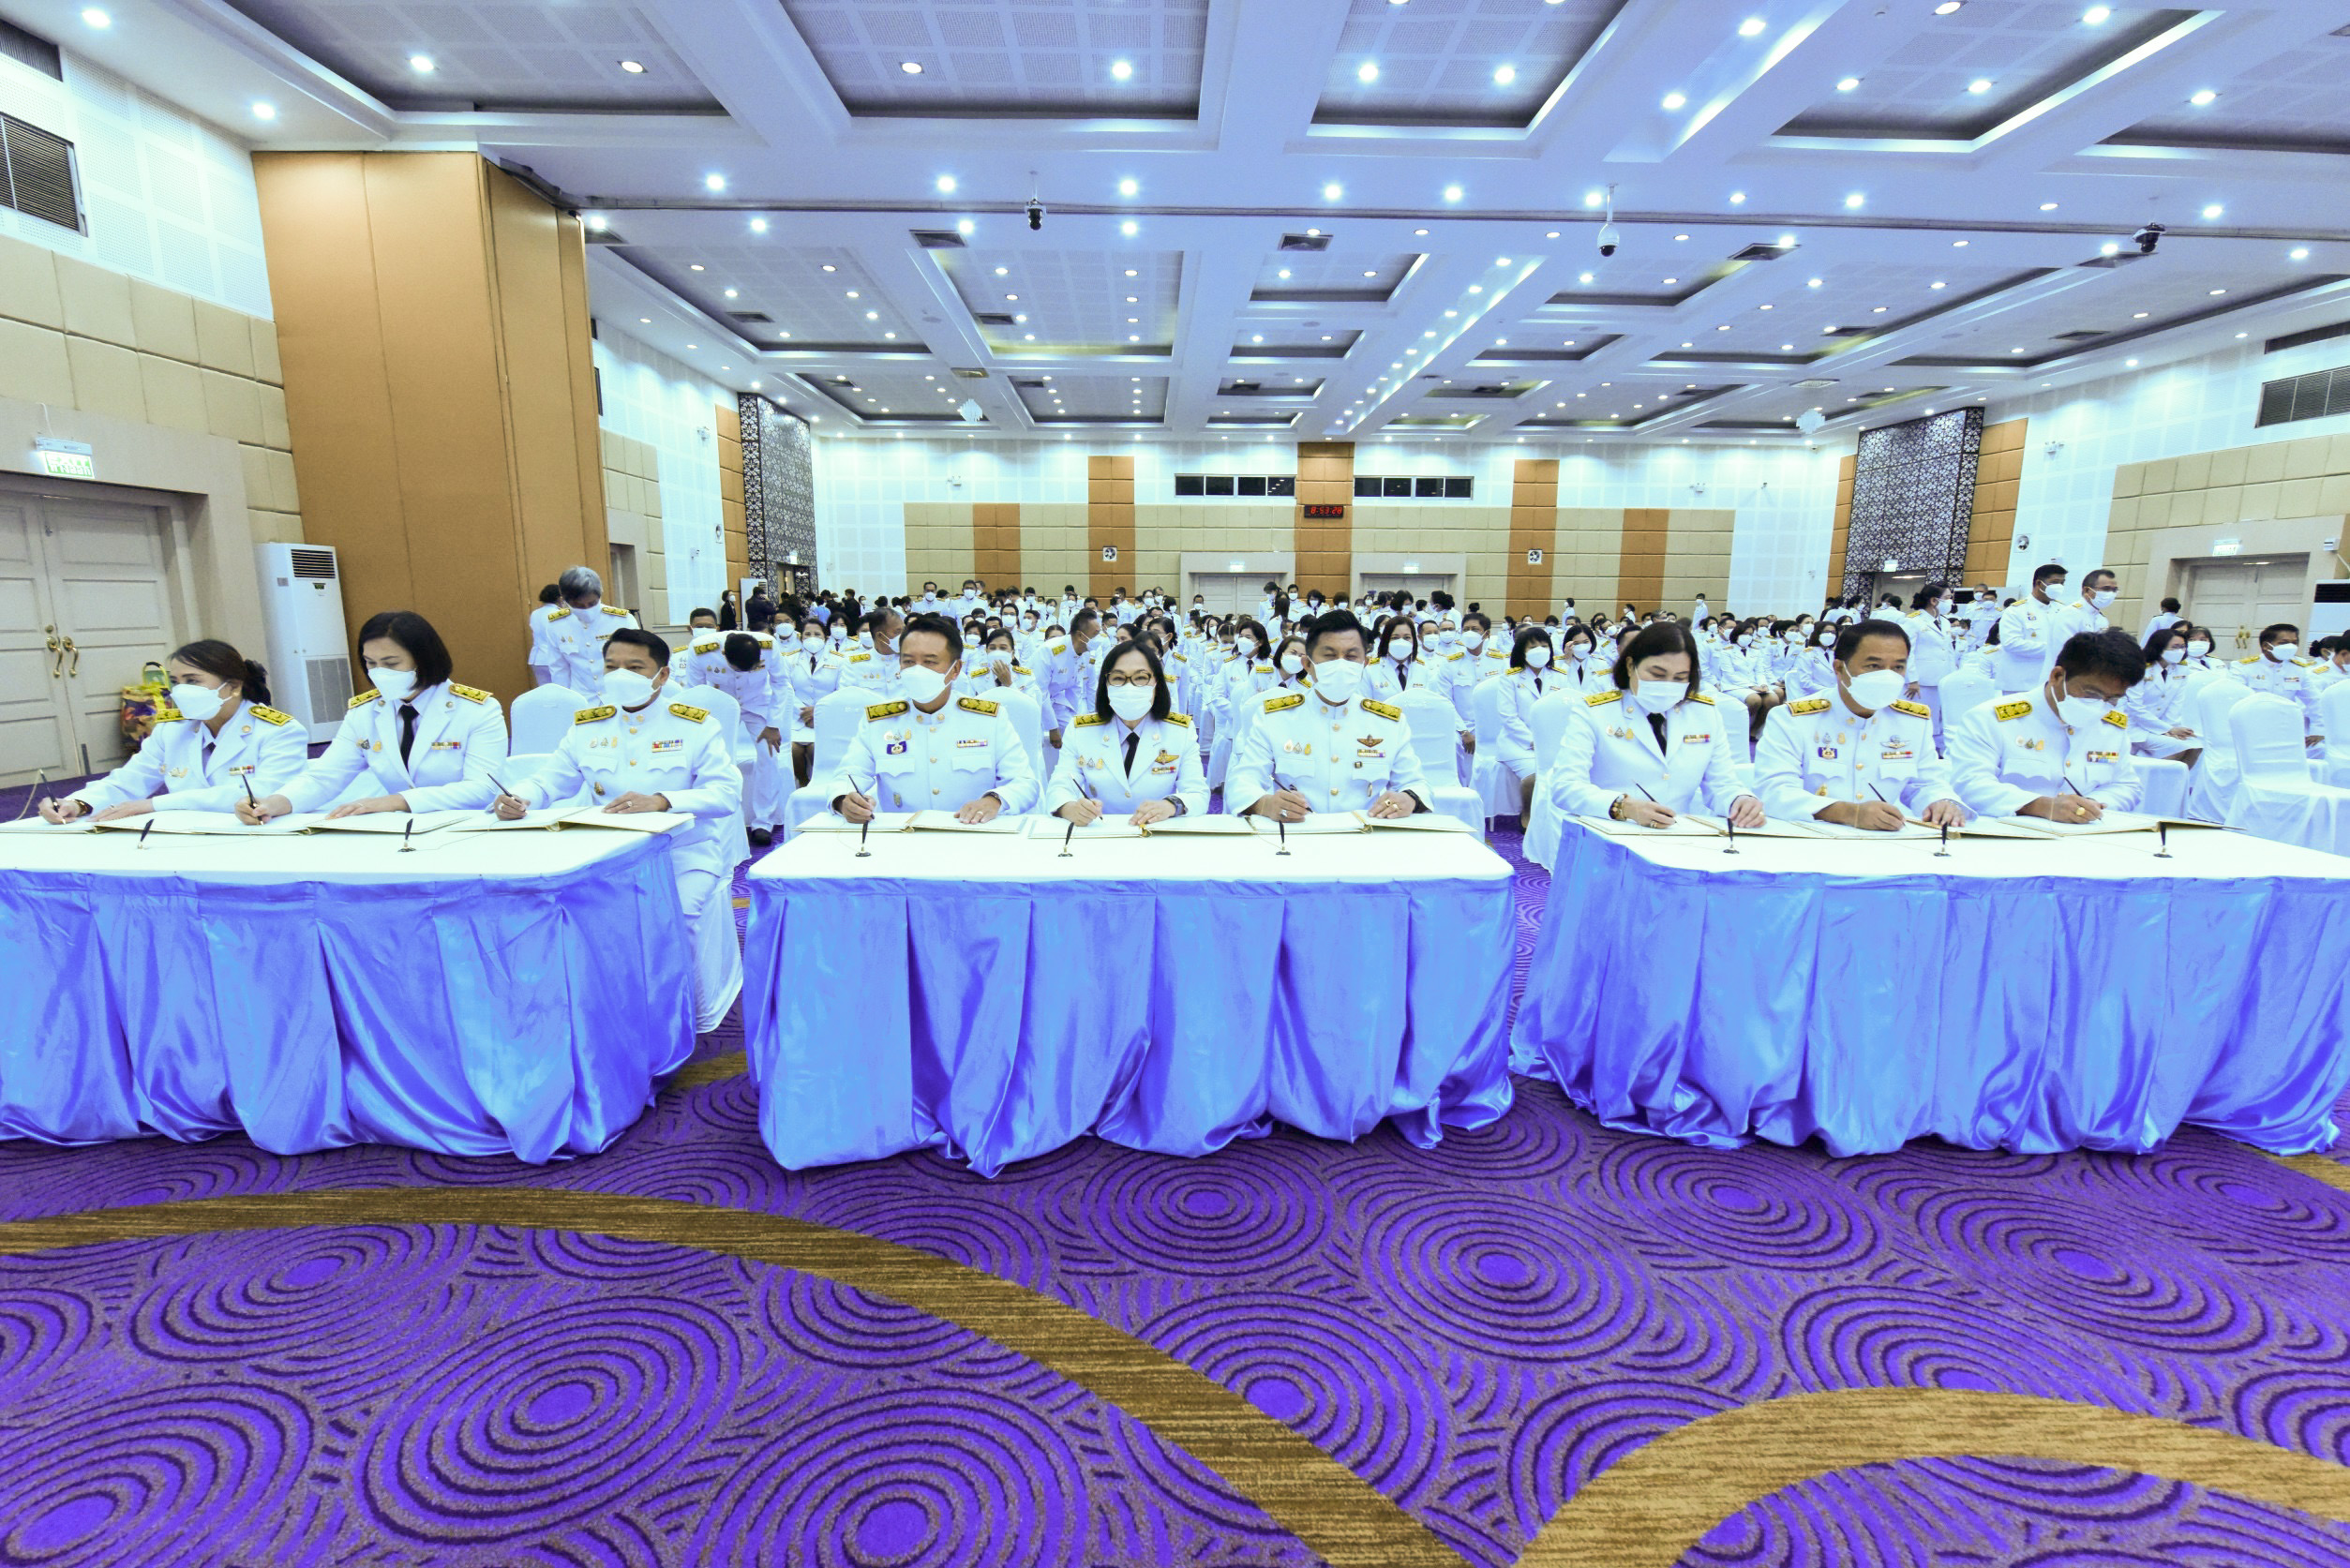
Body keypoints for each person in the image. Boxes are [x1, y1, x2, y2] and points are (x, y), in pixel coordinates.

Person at [494, 628, 743, 1032]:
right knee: (566, 915)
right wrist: (519, 797)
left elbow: (726, 793)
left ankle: (678, 1016)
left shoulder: (695, 725)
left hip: (683, 852)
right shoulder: (588, 726)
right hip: (608, 854)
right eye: (612, 667)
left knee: (676, 917)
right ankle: (601, 1006)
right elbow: (548, 780)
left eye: (635, 667)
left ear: (662, 675)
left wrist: (662, 800)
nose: (621, 675)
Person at [240, 611, 503, 823]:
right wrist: (274, 803)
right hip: (395, 828)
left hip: (466, 826)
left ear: (424, 660)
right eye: (370, 663)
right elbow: (324, 776)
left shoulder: (477, 709)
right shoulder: (364, 712)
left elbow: (482, 788)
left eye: (391, 663)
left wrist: (395, 801)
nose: (379, 673)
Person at [43, 640, 306, 823]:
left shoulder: (278, 730)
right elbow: (129, 780)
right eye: (175, 682)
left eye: (192, 681)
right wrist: (78, 803)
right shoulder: (172, 729)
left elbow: (263, 793)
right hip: (184, 835)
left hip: (256, 834)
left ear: (234, 686)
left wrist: (155, 804)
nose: (180, 691)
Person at [1549, 621, 1763, 829]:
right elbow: (1566, 786)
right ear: (1631, 666)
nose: (1667, 685)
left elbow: (1721, 783)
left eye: (1680, 678)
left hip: (1678, 834)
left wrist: (1740, 800)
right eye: (1657, 674)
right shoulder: (1595, 712)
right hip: (1611, 830)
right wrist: (1623, 806)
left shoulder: (1704, 713)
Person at [1754, 619, 1965, 830]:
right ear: (1839, 668)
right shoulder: (1794, 719)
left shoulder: (1913, 721)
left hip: (1887, 840)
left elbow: (1926, 783)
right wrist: (1848, 813)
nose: (1887, 676)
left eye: (1898, 667)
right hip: (1811, 835)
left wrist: (1941, 801)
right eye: (1874, 666)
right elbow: (1774, 790)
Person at [827, 615, 1039, 822]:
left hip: (971, 833)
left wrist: (994, 800)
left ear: (955, 669)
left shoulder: (988, 719)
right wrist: (843, 800)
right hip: (902, 835)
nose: (917, 671)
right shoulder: (879, 721)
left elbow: (1024, 782)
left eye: (930, 662)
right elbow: (848, 775)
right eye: (908, 662)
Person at [1228, 610, 1429, 821]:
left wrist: (1409, 798)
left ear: (1364, 664)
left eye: (1351, 656)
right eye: (1330, 656)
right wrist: (1265, 804)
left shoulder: (1388, 722)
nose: (1341, 664)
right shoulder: (1275, 718)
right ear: (1307, 665)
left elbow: (1416, 784)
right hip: (1298, 831)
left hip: (1366, 832)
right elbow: (1241, 782)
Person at [1947, 629, 2144, 821]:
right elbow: (1969, 783)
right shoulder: (1992, 718)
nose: (2100, 705)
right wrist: (2039, 805)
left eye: (2113, 698)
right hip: (2011, 832)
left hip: (2087, 832)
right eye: (2091, 694)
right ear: (2057, 676)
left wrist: (2089, 806)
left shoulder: (2111, 726)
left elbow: (2127, 785)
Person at [1044, 641, 1205, 825]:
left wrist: (1171, 805)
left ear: (1157, 683)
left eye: (1141, 678)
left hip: (1157, 831)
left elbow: (1197, 793)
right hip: (1098, 831)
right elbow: (1060, 785)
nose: (1129, 687)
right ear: (1106, 684)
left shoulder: (1180, 731)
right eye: (1118, 678)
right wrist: (1068, 807)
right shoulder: (1081, 730)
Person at [687, 630, 787, 844]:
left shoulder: (769, 645)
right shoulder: (700, 650)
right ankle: (721, 819)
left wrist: (773, 724)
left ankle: (764, 822)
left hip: (757, 706)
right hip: (719, 708)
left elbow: (780, 683)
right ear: (724, 654)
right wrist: (699, 729)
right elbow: (695, 692)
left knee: (768, 755)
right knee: (716, 760)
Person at [1489, 624, 1563, 822]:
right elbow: (1508, 717)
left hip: (1553, 742)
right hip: (1518, 744)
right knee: (1534, 776)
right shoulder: (1510, 678)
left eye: (1544, 646)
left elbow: (1566, 711)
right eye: (1533, 647)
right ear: (1522, 651)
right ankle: (1527, 814)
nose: (1540, 650)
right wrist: (1533, 741)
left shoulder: (1560, 677)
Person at [530, 564, 637, 692]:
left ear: (600, 594)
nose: (587, 609)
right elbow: (559, 669)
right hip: (583, 697)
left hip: (619, 694)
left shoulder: (622, 620)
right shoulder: (556, 625)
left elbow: (638, 660)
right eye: (578, 605)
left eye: (592, 603)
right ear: (565, 601)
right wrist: (566, 699)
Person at [2124, 624, 2203, 769]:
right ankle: (2155, 776)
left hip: (2160, 726)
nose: (2180, 651)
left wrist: (2173, 729)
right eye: (2174, 647)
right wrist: (2167, 729)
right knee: (2178, 747)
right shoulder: (2141, 668)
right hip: (2134, 726)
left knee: (2196, 745)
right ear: (2159, 647)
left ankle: (2177, 779)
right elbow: (2135, 708)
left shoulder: (2181, 668)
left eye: (2183, 647)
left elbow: (2175, 704)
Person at [2236, 622, 2323, 745]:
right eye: (2284, 643)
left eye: (2294, 643)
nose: (2291, 647)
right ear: (2266, 646)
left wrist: (2318, 729)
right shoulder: (2243, 667)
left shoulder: (2298, 668)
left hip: (2285, 727)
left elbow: (2314, 699)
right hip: (2251, 725)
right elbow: (2234, 699)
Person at [1995, 562, 2069, 693]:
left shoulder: (2063, 609)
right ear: (2039, 583)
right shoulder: (2016, 610)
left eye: (2062, 583)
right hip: (2020, 683)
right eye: (2055, 582)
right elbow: (2011, 644)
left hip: (2051, 682)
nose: (2059, 587)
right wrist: (2053, 648)